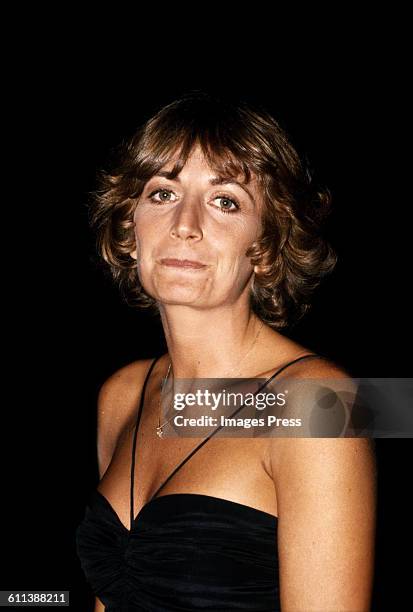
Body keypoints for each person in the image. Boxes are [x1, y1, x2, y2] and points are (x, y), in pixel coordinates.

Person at [76, 91, 377, 611]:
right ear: (131, 231)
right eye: (162, 194)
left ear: (266, 244)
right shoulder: (122, 393)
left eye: (225, 201)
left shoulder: (321, 404)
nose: (185, 225)